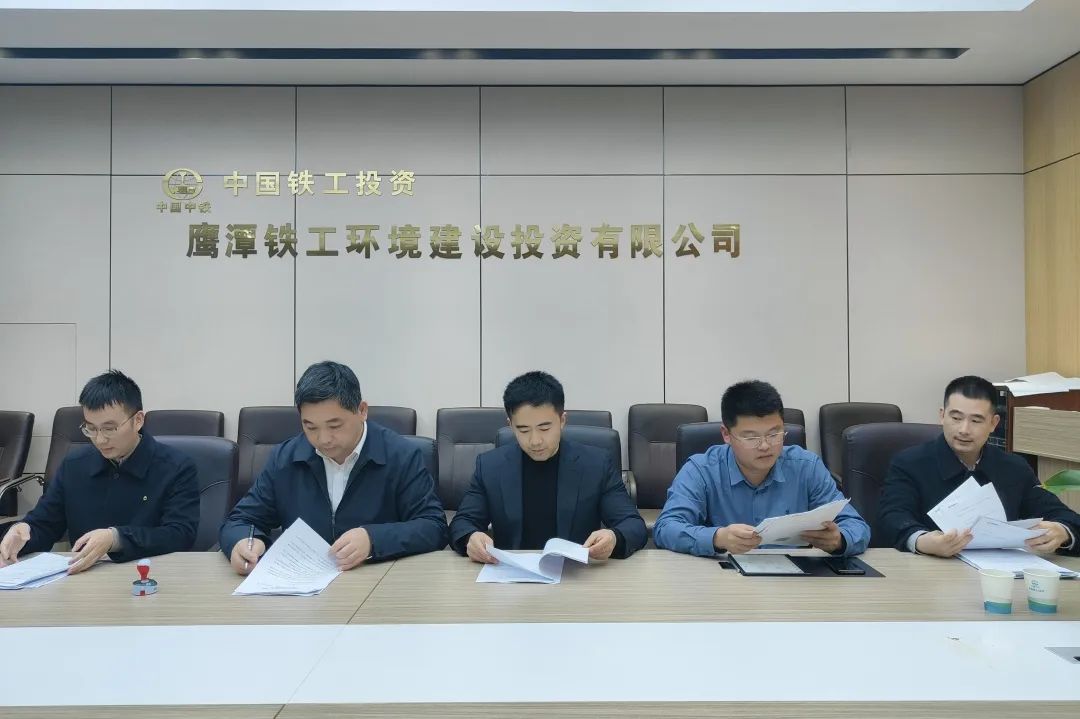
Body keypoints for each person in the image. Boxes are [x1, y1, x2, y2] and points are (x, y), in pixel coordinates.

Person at [220, 360, 447, 574]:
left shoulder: (401, 455)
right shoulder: (285, 458)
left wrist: (373, 540)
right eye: (310, 427)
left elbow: (433, 527)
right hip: (303, 584)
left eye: (335, 425)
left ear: (362, 410)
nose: (323, 439)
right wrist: (243, 541)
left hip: (376, 580)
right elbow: (241, 520)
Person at [0, 370, 200, 573]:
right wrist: (24, 532)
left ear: (138, 420)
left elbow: (180, 534)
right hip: (85, 578)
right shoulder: (75, 465)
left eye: (109, 428)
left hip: (151, 576)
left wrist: (116, 539)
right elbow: (46, 523)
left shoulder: (176, 467)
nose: (100, 439)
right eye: (91, 429)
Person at [654, 379, 870, 557]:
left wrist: (839, 540)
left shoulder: (806, 467)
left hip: (795, 583)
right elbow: (666, 528)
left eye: (774, 434)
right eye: (751, 437)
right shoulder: (701, 470)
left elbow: (856, 526)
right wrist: (717, 538)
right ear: (726, 434)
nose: (765, 446)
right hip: (724, 580)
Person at [450, 371, 646, 563]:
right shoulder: (490, 466)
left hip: (575, 573)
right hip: (513, 574)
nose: (535, 441)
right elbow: (462, 523)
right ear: (510, 425)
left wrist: (614, 537)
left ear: (562, 420)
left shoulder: (596, 464)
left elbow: (633, 524)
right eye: (523, 430)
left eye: (544, 428)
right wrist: (470, 537)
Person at [879, 375, 1080, 557]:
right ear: (942, 415)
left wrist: (1062, 531)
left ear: (993, 423)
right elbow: (892, 517)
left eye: (976, 420)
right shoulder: (909, 463)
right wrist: (922, 541)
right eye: (956, 418)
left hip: (1000, 571)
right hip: (933, 570)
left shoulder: (1014, 468)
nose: (964, 429)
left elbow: (1062, 515)